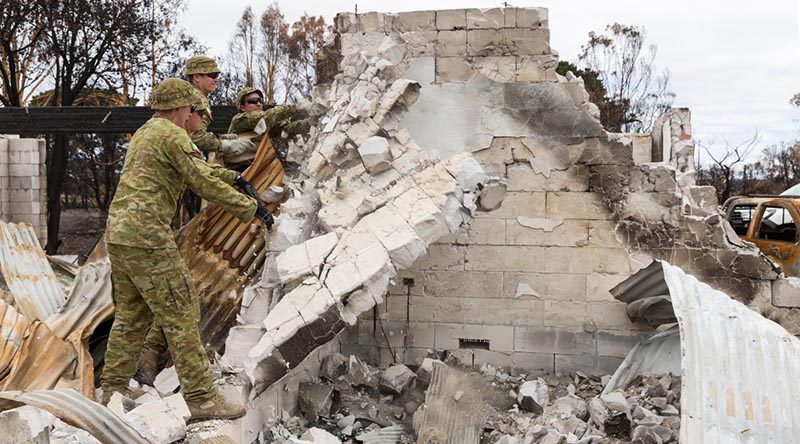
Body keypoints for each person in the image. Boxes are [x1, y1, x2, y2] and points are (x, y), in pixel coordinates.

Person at [101, 78, 272, 421]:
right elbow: (201, 180)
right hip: (147, 236)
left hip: (120, 235)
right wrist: (252, 210)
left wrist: (234, 180)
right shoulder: (173, 134)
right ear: (181, 108)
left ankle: (113, 389)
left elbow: (197, 171)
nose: (194, 115)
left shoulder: (148, 132)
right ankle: (202, 399)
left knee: (132, 315)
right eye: (193, 109)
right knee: (182, 311)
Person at [182, 55, 254, 156]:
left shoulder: (187, 95)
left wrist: (219, 138)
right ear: (197, 77)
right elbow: (193, 135)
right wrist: (221, 145)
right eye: (212, 75)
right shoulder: (197, 99)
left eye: (217, 76)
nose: (216, 80)